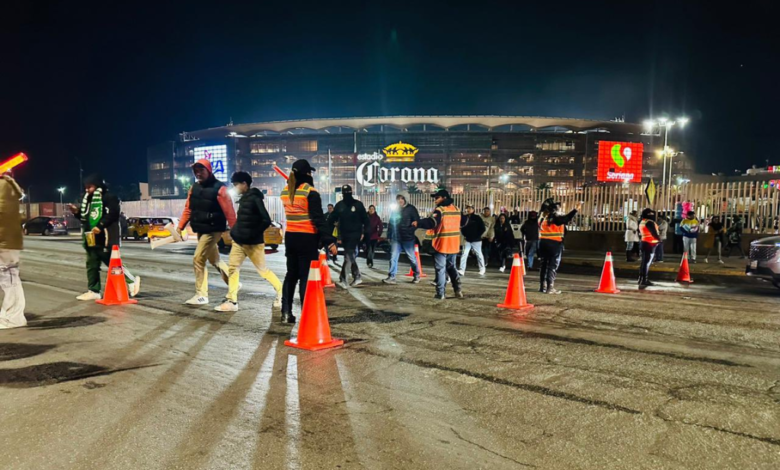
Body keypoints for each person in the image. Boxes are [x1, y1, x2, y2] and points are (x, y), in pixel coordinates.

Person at [215, 172, 283, 312]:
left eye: (236, 185)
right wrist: (235, 232)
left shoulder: (255, 199)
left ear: (244, 184)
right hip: (239, 242)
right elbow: (242, 220)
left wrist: (253, 234)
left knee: (263, 271)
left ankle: (282, 292)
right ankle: (232, 301)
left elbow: (266, 220)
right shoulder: (244, 199)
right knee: (233, 269)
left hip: (253, 243)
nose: (235, 188)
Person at [280, 159, 336, 323]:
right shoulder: (310, 192)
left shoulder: (285, 192)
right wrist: (330, 242)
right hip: (307, 238)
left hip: (290, 237)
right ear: (307, 174)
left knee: (291, 275)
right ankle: (307, 314)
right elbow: (319, 220)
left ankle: (285, 313)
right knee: (305, 277)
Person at [69, 173, 140, 301]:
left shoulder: (109, 198)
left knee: (112, 262)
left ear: (97, 186)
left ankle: (131, 281)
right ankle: (93, 290)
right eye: (85, 187)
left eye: (89, 187)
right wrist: (77, 212)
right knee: (92, 264)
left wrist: (100, 226)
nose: (87, 190)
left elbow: (113, 214)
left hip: (106, 237)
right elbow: (86, 219)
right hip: (91, 238)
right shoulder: (88, 200)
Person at [177, 159, 235, 305]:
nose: (198, 173)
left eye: (201, 170)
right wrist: (180, 227)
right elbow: (188, 209)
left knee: (198, 259)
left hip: (213, 229)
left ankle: (201, 295)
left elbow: (230, 212)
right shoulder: (193, 188)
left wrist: (235, 231)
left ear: (209, 170)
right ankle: (234, 283)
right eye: (196, 171)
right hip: (200, 229)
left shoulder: (220, 189)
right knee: (215, 260)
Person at [414, 188, 462, 300]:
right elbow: (464, 223)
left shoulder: (440, 210)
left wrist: (418, 223)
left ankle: (440, 293)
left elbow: (432, 222)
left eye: (437, 198)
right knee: (452, 267)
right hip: (454, 244)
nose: (435, 200)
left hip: (442, 244)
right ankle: (458, 289)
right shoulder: (456, 209)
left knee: (441, 269)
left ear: (444, 198)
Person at [328, 185, 369, 288]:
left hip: (355, 235)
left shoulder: (358, 205)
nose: (346, 195)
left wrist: (364, 233)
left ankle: (344, 279)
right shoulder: (340, 206)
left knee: (348, 255)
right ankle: (357, 276)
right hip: (344, 235)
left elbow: (366, 220)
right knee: (350, 256)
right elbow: (332, 218)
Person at [0, 171, 26, 329]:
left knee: (9, 278)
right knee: (9, 278)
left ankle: (13, 317)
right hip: (7, 239)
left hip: (5, 240)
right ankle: (9, 314)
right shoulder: (8, 186)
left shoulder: (3, 186)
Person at [538, 198, 580, 294]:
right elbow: (565, 219)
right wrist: (575, 210)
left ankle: (542, 286)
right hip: (554, 244)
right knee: (552, 265)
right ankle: (550, 287)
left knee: (544, 264)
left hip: (542, 243)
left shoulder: (542, 218)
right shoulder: (554, 218)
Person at [383, 192, 421, 284]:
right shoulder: (395, 210)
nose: (400, 200)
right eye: (398, 198)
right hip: (396, 238)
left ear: (405, 199)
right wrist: (389, 235)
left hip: (408, 238)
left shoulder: (411, 209)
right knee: (393, 257)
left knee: (412, 257)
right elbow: (391, 223)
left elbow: (417, 222)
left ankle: (417, 274)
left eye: (402, 198)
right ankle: (391, 276)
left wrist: (410, 230)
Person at [458, 205, 486, 276]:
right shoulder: (465, 217)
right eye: (467, 208)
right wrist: (465, 234)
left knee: (479, 254)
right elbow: (462, 227)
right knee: (464, 254)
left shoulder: (477, 218)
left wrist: (477, 235)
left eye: (470, 208)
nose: (468, 210)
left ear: (473, 210)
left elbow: (482, 228)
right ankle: (462, 270)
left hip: (476, 240)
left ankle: (482, 269)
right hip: (467, 239)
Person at [638, 208, 661, 286]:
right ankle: (645, 279)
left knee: (643, 262)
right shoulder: (649, 222)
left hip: (643, 242)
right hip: (650, 243)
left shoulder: (642, 221)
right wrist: (659, 240)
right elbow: (654, 233)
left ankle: (641, 278)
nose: (653, 215)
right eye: (651, 214)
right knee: (647, 263)